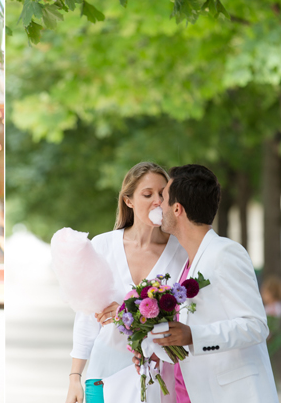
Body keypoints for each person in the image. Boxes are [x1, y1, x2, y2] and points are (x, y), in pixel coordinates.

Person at [148, 164, 277, 403]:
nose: (158, 205)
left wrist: (194, 336)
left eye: (163, 198)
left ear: (177, 209)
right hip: (193, 393)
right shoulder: (187, 264)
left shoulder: (225, 253)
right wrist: (161, 352)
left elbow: (256, 326)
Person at [66, 162, 186, 403]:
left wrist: (126, 313)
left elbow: (186, 317)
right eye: (147, 194)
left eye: (162, 194)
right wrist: (74, 377)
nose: (157, 201)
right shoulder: (102, 246)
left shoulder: (181, 252)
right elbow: (86, 319)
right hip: (105, 371)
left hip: (159, 377)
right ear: (128, 200)